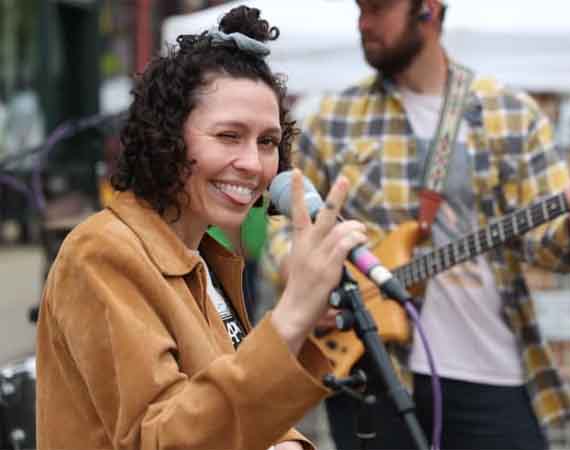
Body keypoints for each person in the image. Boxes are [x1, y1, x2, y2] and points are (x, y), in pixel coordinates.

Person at [261, 1, 570, 449]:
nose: (364, 23)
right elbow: (285, 228)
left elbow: (549, 250)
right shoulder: (334, 118)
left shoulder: (511, 113)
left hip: (490, 368)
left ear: (430, 11)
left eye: (379, 9)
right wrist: (308, 282)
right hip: (373, 366)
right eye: (361, 9)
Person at [35, 6, 368, 450]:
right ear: (167, 135)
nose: (253, 163)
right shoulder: (101, 252)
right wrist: (291, 316)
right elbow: (160, 439)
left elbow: (224, 403)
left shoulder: (200, 254)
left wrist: (287, 443)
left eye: (267, 141)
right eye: (229, 136)